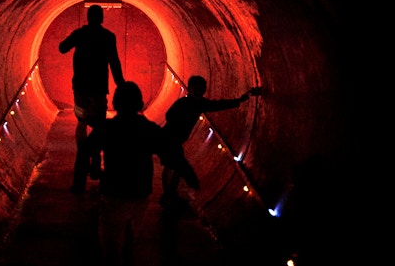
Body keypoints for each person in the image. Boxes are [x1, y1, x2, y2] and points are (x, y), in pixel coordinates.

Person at [80, 81, 199, 266]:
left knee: (111, 247)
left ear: (116, 103)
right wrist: (189, 173)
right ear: (139, 104)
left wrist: (91, 168)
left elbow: (86, 148)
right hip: (140, 193)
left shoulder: (108, 128)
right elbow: (170, 150)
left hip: (114, 192)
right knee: (131, 241)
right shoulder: (147, 128)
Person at [159, 75, 261, 210]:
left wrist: (240, 100)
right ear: (190, 89)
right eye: (197, 89)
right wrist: (179, 127)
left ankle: (169, 194)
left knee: (174, 166)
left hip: (175, 139)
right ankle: (168, 195)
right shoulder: (184, 103)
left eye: (201, 89)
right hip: (170, 138)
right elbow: (169, 115)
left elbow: (218, 105)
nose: (199, 91)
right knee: (174, 166)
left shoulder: (199, 103)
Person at [59, 3, 125, 193]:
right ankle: (96, 164)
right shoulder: (108, 37)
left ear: (88, 17)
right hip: (98, 89)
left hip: (80, 88)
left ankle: (83, 155)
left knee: (81, 122)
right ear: (101, 18)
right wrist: (122, 86)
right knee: (99, 125)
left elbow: (62, 48)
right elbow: (114, 63)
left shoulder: (80, 34)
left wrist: (75, 37)